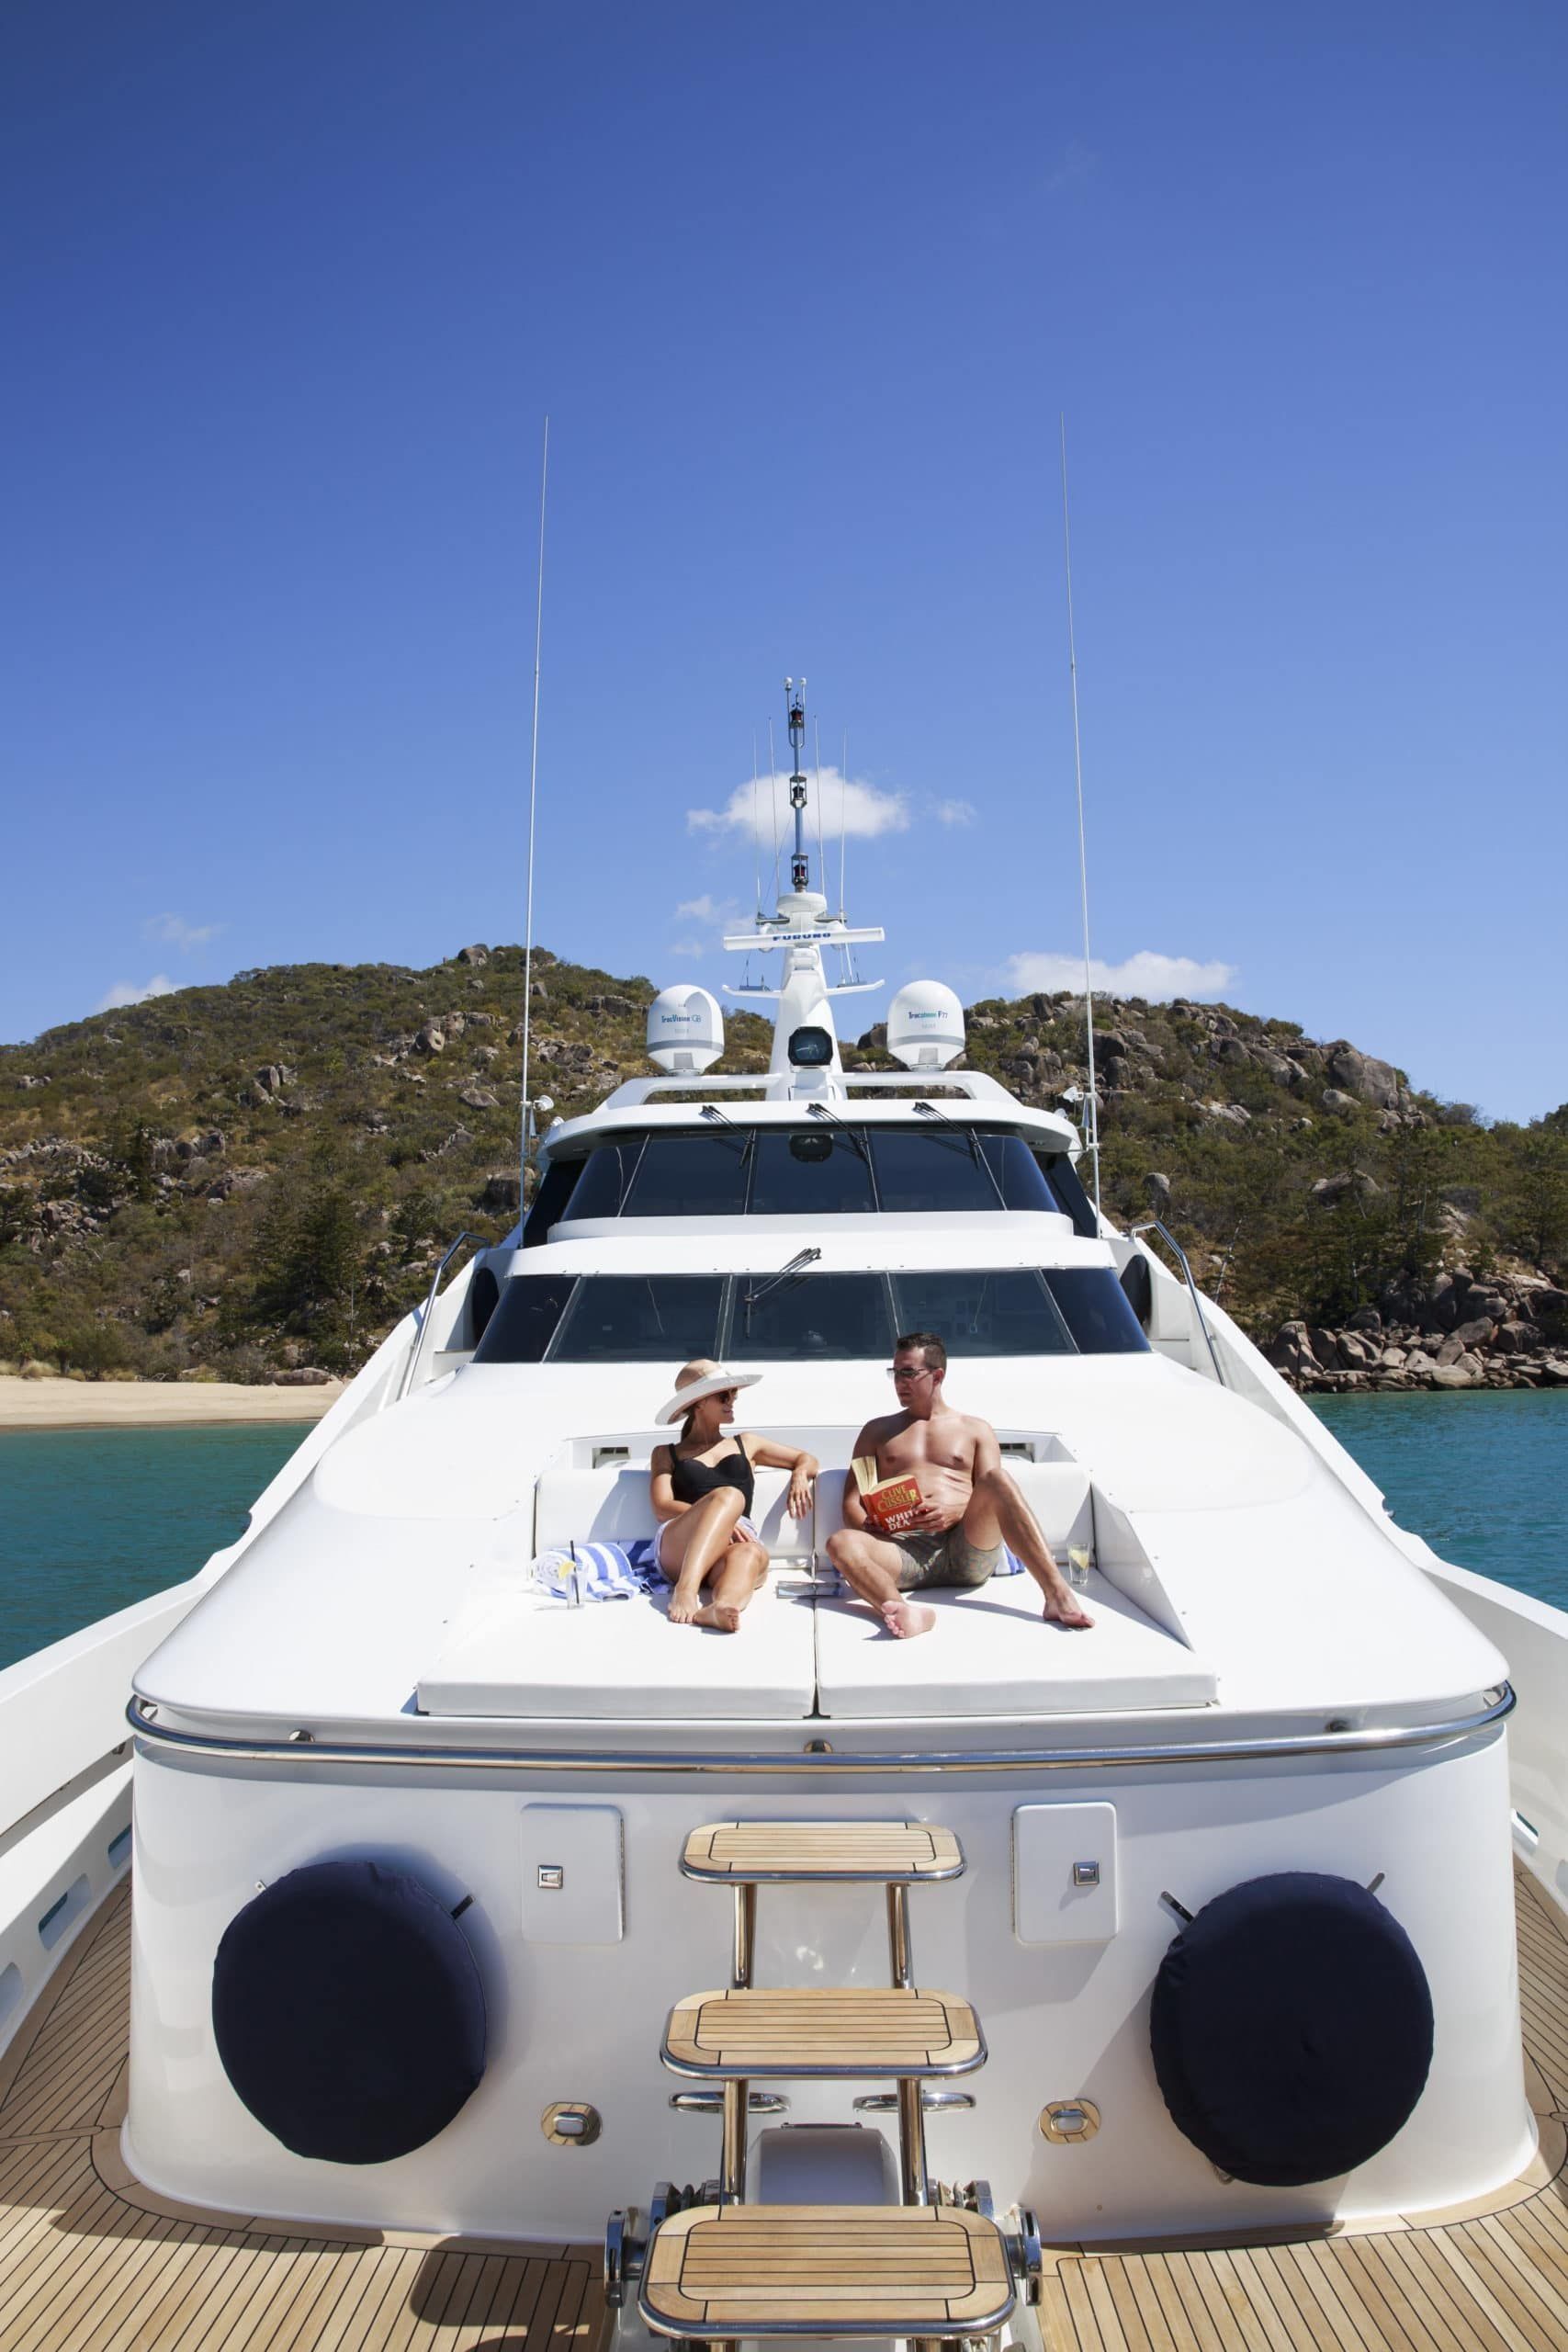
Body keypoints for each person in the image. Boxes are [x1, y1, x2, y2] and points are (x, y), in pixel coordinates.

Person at [827, 1330, 1095, 1640]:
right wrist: (875, 1525)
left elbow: (995, 1497)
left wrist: (954, 1512)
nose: (900, 1382)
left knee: (998, 1478)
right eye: (895, 1372)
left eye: (909, 1372)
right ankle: (904, 1611)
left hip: (965, 1548)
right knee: (840, 1542)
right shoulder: (876, 1432)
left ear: (937, 1375)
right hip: (900, 1552)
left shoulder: (975, 1430)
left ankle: (1056, 1594)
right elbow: (852, 1501)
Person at [650, 1361, 818, 1632]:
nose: (732, 1401)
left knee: (752, 1551)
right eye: (723, 1396)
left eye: (734, 1395)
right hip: (680, 1545)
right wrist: (724, 1517)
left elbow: (806, 1458)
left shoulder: (747, 1443)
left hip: (734, 1545)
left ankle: (721, 1607)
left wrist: (800, 1474)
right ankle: (685, 1589)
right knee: (730, 1496)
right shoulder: (666, 1453)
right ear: (699, 1403)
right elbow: (662, 1506)